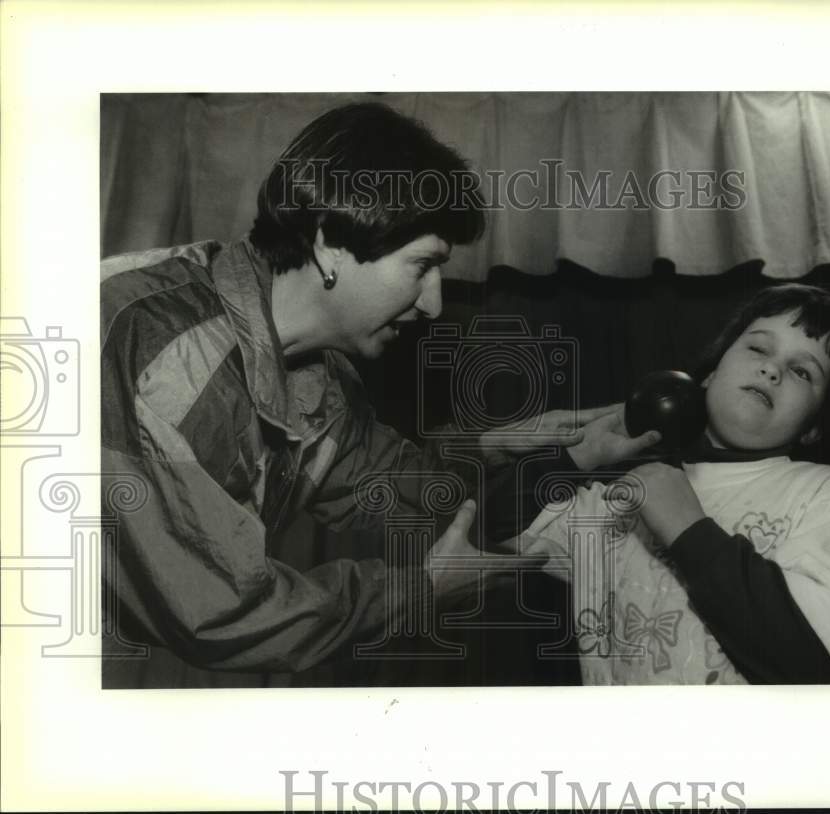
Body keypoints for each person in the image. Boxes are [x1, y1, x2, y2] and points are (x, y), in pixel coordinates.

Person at [100, 102, 659, 688]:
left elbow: (407, 488)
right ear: (332, 244)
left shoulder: (319, 380)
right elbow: (219, 613)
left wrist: (553, 454)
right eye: (422, 266)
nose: (434, 303)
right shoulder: (156, 350)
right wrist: (423, 588)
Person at [520, 284, 830, 684]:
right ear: (710, 374)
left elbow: (825, 673)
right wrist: (568, 460)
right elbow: (492, 531)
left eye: (802, 371)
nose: (772, 369)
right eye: (758, 349)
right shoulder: (624, 499)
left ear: (814, 426)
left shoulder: (829, 496)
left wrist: (689, 531)